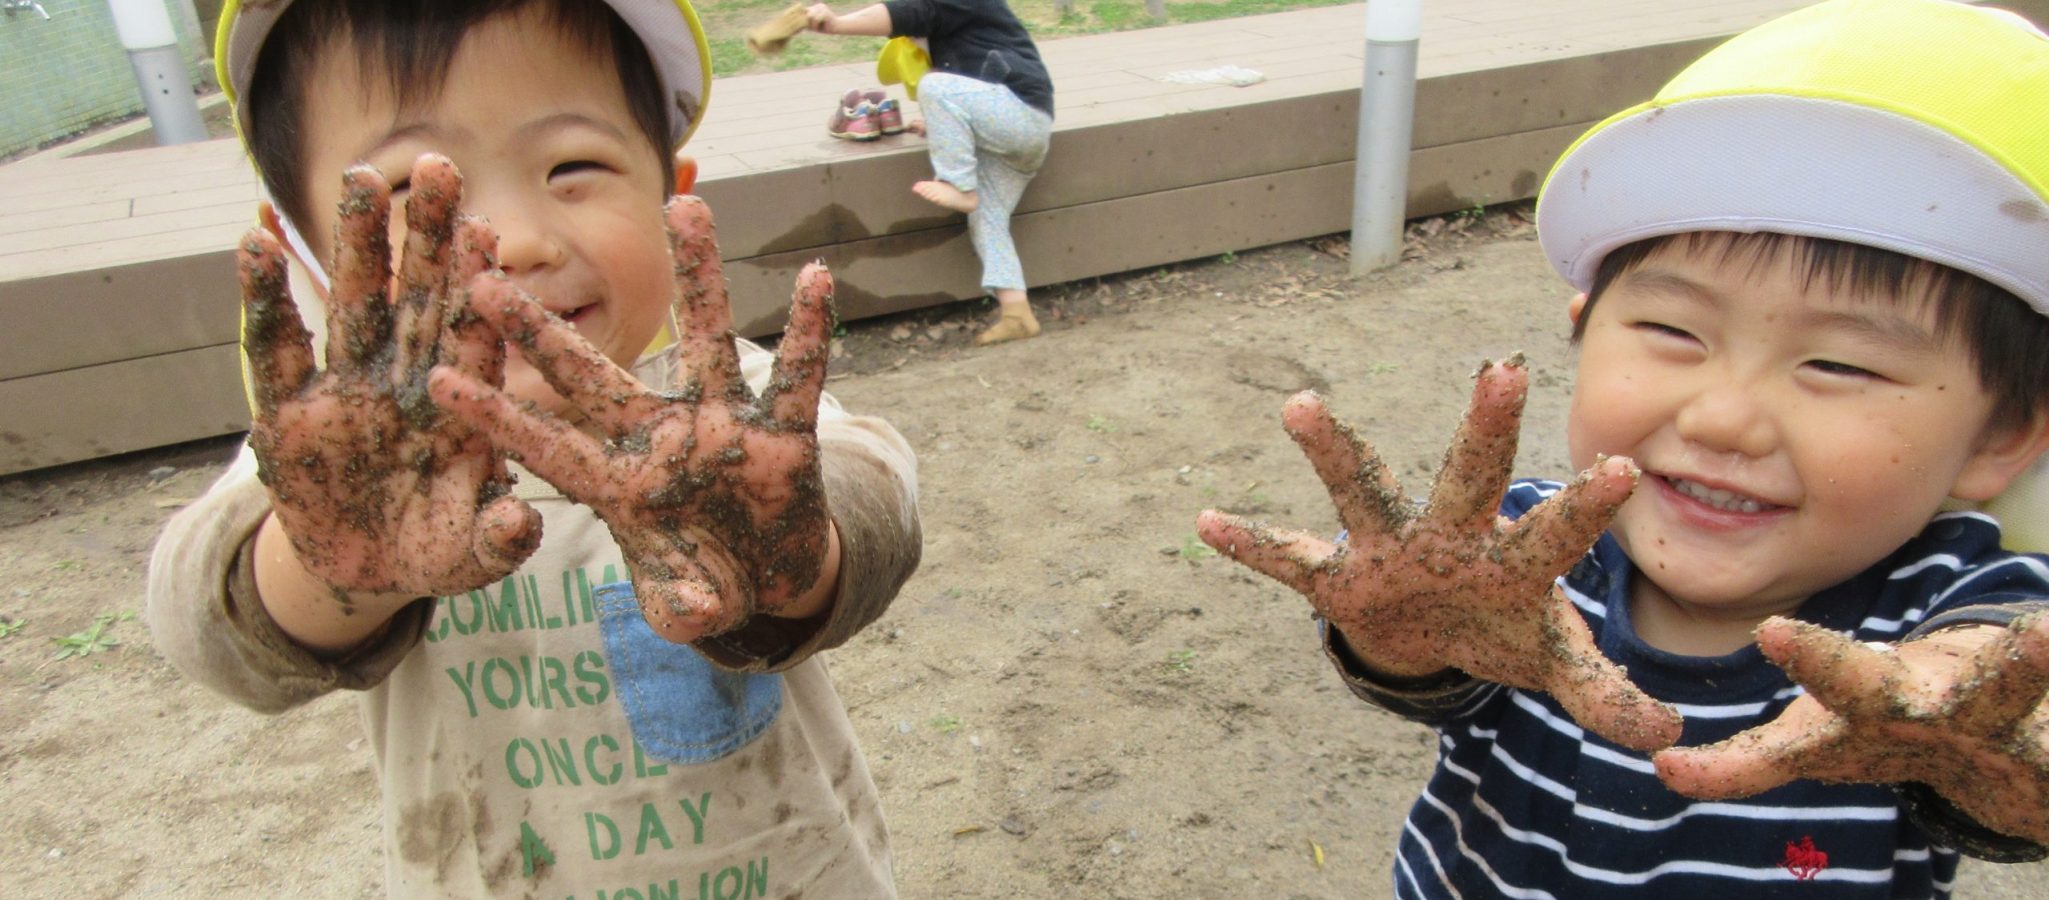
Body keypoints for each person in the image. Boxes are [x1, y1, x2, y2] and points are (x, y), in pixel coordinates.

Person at [1196, 0, 2049, 896]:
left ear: (2000, 439)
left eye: (1837, 363)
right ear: (1581, 331)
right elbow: (1425, 670)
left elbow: (2006, 695)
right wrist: (1394, 639)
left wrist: (1970, 727)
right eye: (1674, 332)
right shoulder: (1520, 550)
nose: (1723, 418)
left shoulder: (1963, 603)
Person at [143, 0, 921, 895]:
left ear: (673, 198)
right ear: (314, 250)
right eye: (413, 194)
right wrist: (338, 569)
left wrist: (787, 550)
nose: (512, 240)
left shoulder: (729, 425)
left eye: (573, 166)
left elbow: (878, 495)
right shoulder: (337, 472)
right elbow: (206, 631)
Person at [805, 0, 1054, 346]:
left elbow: (904, 14)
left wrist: (836, 23)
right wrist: (942, 123)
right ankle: (1017, 314)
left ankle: (958, 185)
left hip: (1017, 113)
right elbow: (968, 85)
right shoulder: (964, 23)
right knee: (987, 218)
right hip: (1021, 131)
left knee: (933, 87)